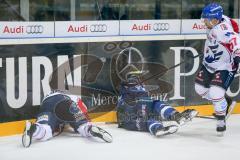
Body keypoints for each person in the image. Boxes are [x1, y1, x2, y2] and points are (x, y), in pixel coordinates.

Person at [195, 3, 240, 135]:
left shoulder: (221, 30)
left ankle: (221, 120)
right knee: (200, 89)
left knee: (215, 92)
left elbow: (235, 39)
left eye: (206, 20)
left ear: (215, 20)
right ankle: (225, 101)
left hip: (225, 66)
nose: (204, 22)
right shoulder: (219, 20)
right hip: (210, 63)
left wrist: (237, 54)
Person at [117, 71, 198, 137]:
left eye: (136, 80)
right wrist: (127, 83)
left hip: (139, 111)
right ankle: (157, 128)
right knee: (149, 120)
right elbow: (123, 87)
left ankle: (176, 116)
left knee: (156, 104)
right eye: (133, 80)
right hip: (128, 119)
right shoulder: (125, 89)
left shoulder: (141, 89)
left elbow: (145, 101)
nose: (135, 82)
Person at [22, 90, 113, 148]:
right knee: (83, 125)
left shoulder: (49, 95)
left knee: (45, 129)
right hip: (65, 102)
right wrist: (86, 121)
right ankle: (90, 129)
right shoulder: (76, 98)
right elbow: (82, 111)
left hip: (47, 104)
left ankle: (33, 129)